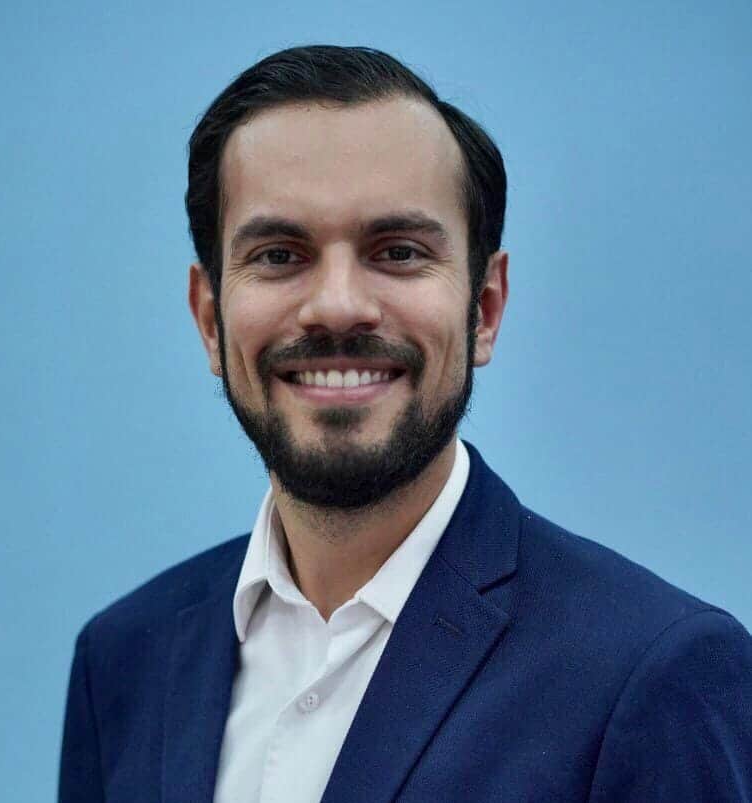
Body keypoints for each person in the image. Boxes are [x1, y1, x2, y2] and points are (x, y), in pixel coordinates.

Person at [58, 45, 752, 803]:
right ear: (208, 318)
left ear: (484, 309)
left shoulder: (653, 673)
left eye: (397, 252)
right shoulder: (121, 663)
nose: (337, 306)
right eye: (280, 254)